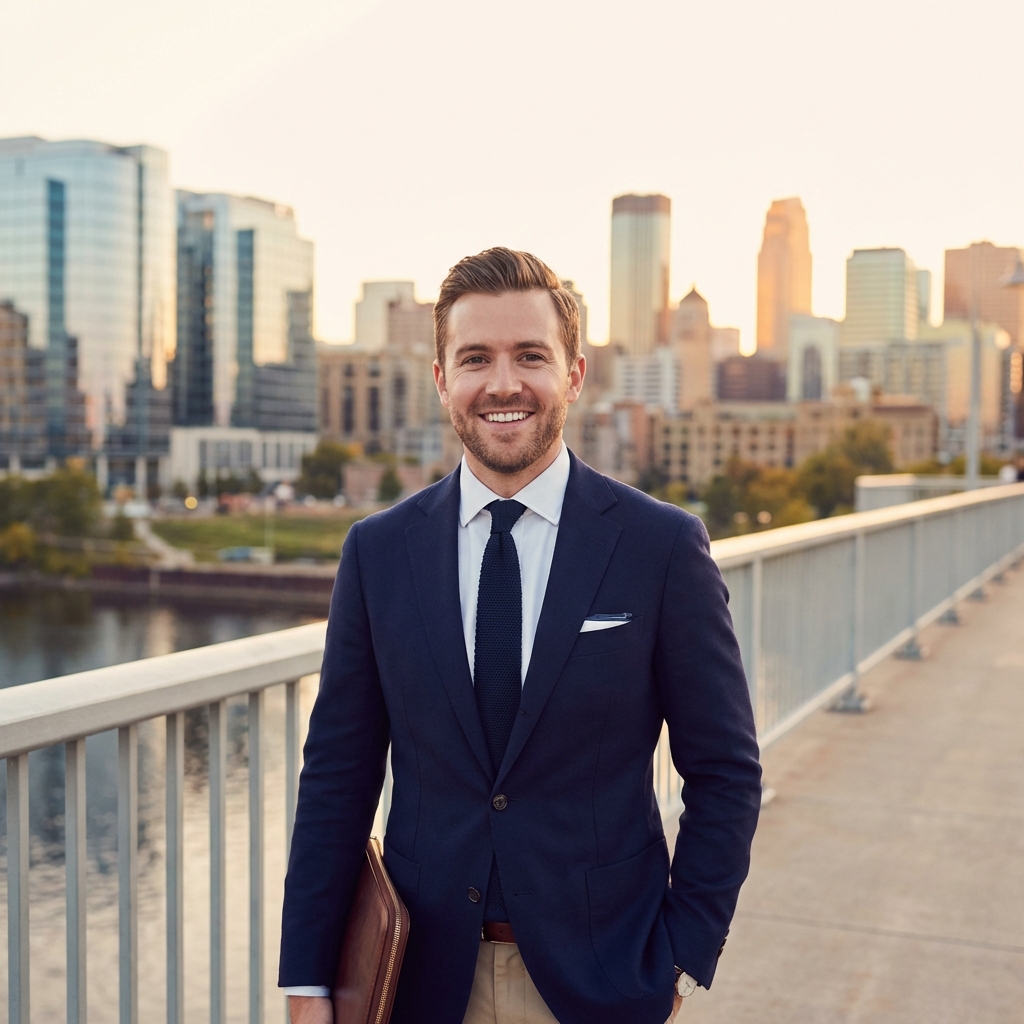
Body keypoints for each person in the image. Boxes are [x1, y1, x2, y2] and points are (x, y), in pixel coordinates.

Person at [280, 249, 762, 1024]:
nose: (503, 383)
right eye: (475, 358)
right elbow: (337, 777)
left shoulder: (660, 548)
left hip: (603, 980)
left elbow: (726, 771)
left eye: (530, 356)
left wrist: (680, 957)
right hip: (417, 982)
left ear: (574, 373)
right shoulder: (377, 553)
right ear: (442, 379)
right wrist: (307, 979)